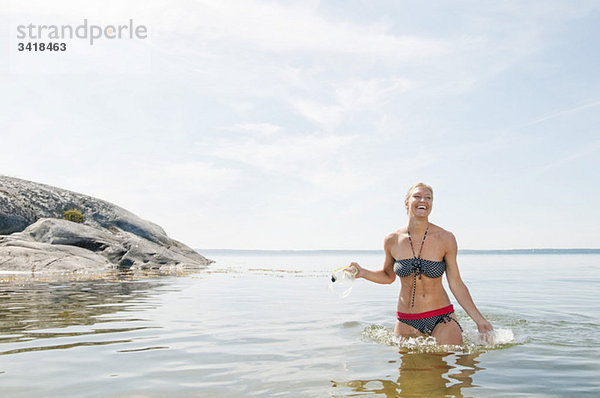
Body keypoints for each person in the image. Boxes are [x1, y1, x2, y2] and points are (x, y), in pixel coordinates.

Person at [349, 182, 493, 345]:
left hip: (442, 318)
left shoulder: (445, 238)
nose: (423, 200)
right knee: (408, 370)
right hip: (406, 320)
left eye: (428, 198)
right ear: (407, 203)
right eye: (417, 196)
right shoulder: (392, 239)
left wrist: (480, 320)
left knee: (448, 364)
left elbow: (456, 283)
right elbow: (388, 276)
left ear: (431, 205)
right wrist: (362, 272)